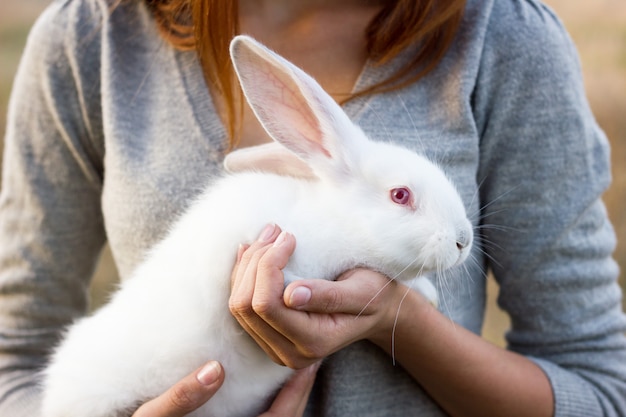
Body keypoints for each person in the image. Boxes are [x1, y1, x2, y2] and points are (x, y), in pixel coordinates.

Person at [1, 0, 625, 416]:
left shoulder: (505, 37)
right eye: (404, 198)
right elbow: (16, 352)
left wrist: (395, 318)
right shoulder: (88, 38)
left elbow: (600, 387)